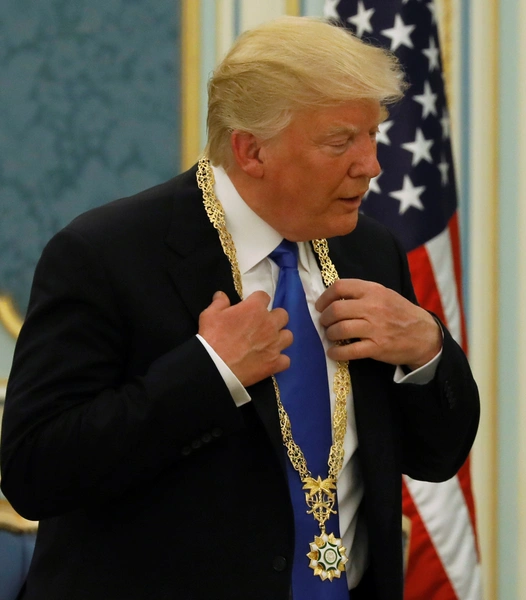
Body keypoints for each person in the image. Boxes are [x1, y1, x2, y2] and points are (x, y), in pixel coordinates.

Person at [0, 16, 479, 600]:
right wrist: (208, 372)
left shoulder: (370, 249)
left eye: (372, 135)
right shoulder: (107, 254)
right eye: (340, 142)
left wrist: (427, 349)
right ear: (251, 150)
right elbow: (34, 473)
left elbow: (437, 457)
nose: (371, 165)